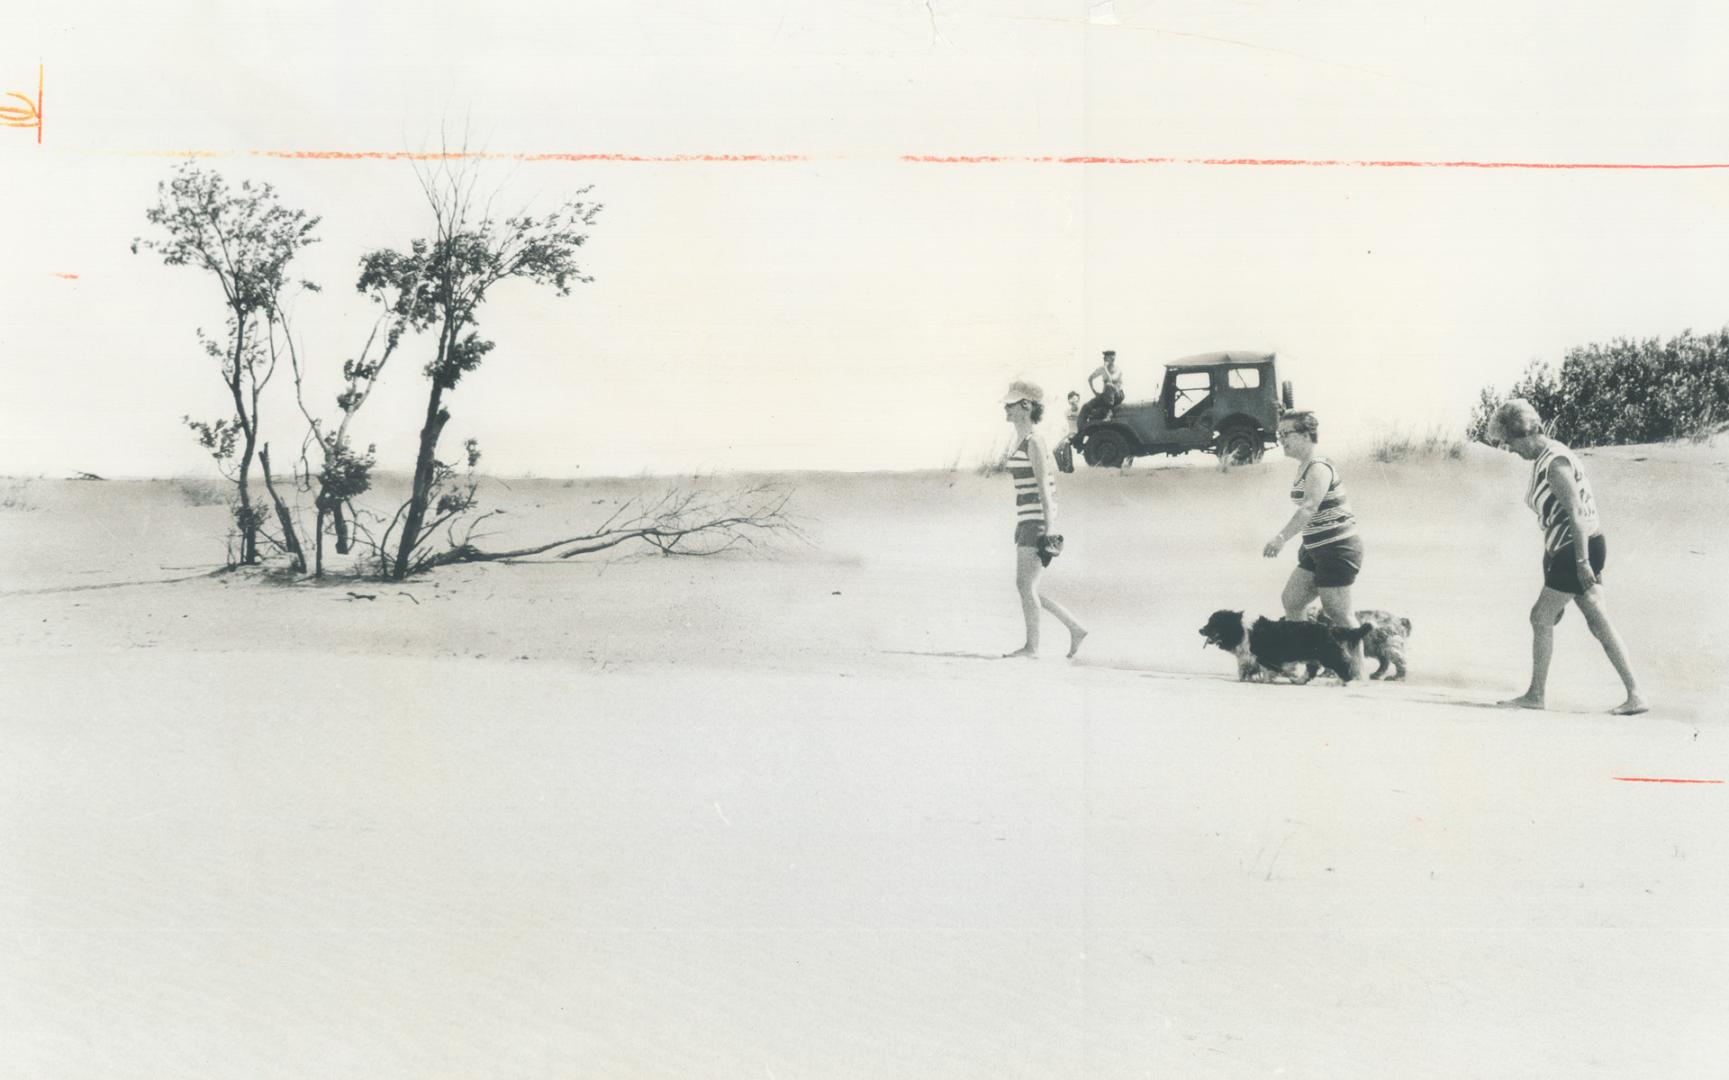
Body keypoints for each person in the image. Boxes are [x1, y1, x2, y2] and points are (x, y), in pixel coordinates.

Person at [1487, 399, 1648, 715]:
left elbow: (1576, 513)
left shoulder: (1554, 462)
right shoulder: (1550, 455)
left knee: (1540, 616)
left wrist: (1581, 563)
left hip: (1576, 549)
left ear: (1526, 432)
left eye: (1510, 442)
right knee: (1597, 619)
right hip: (1578, 548)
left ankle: (1536, 694)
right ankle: (1636, 694)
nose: (1510, 450)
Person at [1261, 410, 1363, 675]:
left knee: (1339, 612)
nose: (1281, 440)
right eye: (1279, 434)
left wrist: (1281, 537)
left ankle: (1356, 672)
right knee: (1292, 600)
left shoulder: (1318, 466)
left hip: (1338, 548)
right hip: (1316, 549)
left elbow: (1309, 508)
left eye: (1286, 434)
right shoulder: (1304, 466)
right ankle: (1302, 660)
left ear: (1306, 435)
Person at [1001, 380, 1088, 659]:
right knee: (1028, 587)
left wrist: (1049, 529)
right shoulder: (1025, 440)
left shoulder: (1035, 441)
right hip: (1027, 520)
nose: (1006, 407)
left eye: (1011, 404)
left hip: (1036, 521)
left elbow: (1045, 488)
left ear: (1026, 407)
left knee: (1025, 586)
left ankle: (1032, 648)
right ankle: (1074, 628)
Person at [1073, 349, 1125, 445]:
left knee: (1109, 385)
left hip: (1117, 395)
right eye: (1108, 356)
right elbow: (1090, 378)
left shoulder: (1118, 370)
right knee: (1085, 407)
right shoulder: (1102, 369)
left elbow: (1111, 379)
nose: (1111, 358)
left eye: (1112, 356)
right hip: (1106, 397)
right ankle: (1079, 435)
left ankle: (1108, 412)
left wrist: (1104, 369)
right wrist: (1094, 391)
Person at [1054, 391, 1081, 472]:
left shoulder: (1081, 411)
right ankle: (1062, 469)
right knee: (1055, 450)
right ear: (1069, 401)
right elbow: (1065, 426)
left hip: (1079, 433)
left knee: (1066, 443)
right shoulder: (1067, 412)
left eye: (1076, 400)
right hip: (1070, 434)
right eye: (1072, 400)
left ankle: (1069, 468)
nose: (1074, 402)